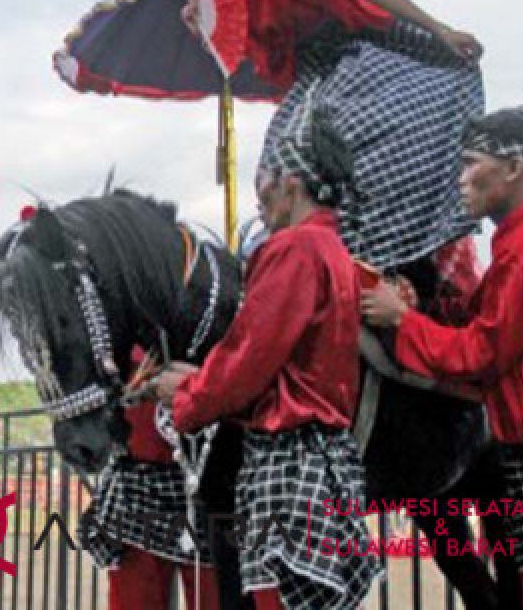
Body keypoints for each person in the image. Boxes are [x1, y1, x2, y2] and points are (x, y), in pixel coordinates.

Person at [183, 0, 484, 278]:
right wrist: (205, 26)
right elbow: (249, 46)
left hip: (360, 51)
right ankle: (306, 264)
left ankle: (375, 257)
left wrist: (439, 29)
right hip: (313, 74)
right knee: (276, 161)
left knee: (346, 139)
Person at [362, 106, 523, 609]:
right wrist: (423, 303)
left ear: (513, 169)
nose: (461, 179)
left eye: (470, 164)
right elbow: (478, 314)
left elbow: (483, 351)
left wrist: (401, 322)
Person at [156, 104, 382, 610]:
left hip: (288, 465)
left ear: (292, 181)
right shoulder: (333, 250)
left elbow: (247, 358)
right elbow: (280, 362)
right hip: (324, 461)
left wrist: (187, 396)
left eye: (265, 176)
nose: (259, 191)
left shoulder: (294, 248)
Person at [80, 347, 220, 610]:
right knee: (136, 597)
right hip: (138, 489)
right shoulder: (118, 345)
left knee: (214, 595)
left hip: (207, 485)